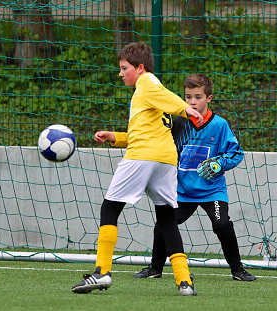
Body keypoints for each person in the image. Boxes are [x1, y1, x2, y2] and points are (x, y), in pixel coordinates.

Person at [71, 42, 203, 296]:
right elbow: (141, 132)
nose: (120, 74)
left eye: (124, 68)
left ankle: (102, 272)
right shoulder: (146, 94)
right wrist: (115, 137)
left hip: (143, 157)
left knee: (110, 208)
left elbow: (165, 97)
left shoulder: (148, 82)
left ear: (140, 68)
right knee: (166, 218)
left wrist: (185, 109)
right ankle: (184, 281)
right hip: (165, 160)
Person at [133, 74, 256, 282]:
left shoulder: (219, 125)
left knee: (222, 224)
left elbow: (236, 154)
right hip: (182, 191)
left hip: (212, 190)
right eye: (188, 97)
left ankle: (238, 270)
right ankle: (155, 268)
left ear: (209, 98)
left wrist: (218, 163)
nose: (192, 102)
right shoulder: (178, 123)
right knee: (163, 224)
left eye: (197, 97)